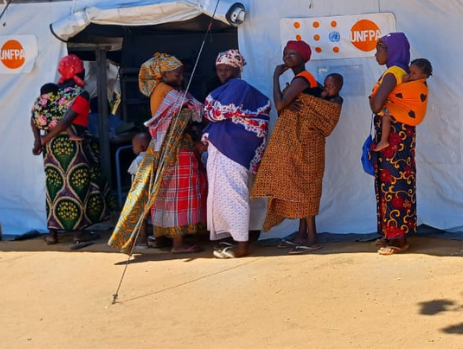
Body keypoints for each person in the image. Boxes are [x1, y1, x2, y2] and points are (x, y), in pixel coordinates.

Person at [251, 40, 342, 254]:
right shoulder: (301, 81)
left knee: (305, 187)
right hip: (303, 142)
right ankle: (302, 233)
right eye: (285, 53)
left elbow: (280, 106)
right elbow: (285, 108)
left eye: (292, 54)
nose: (287, 58)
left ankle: (312, 238)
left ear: (304, 57)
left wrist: (275, 79)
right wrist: (287, 102)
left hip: (306, 143)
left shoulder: (302, 80)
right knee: (302, 186)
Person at [109, 53, 206, 254]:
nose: (181, 79)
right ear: (163, 74)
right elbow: (197, 108)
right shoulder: (167, 91)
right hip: (175, 151)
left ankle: (164, 238)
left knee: (166, 196)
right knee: (177, 196)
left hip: (172, 149)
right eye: (177, 74)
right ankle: (178, 244)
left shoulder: (162, 90)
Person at [30, 54, 114, 247]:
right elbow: (67, 119)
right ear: (81, 71)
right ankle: (78, 233)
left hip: (51, 149)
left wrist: (40, 140)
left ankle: (52, 234)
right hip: (73, 143)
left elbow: (34, 116)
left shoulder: (49, 92)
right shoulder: (80, 94)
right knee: (78, 184)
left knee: (54, 185)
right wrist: (44, 139)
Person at [203, 49, 270, 259]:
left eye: (227, 69)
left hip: (231, 150)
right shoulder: (234, 87)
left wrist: (208, 106)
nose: (223, 73)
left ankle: (241, 246)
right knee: (232, 196)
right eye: (219, 69)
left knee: (234, 197)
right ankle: (237, 240)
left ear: (237, 69)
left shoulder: (237, 86)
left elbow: (217, 112)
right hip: (231, 149)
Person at [369, 33, 430, 255]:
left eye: (379, 49)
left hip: (394, 138)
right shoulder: (402, 72)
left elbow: (376, 106)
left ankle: (397, 239)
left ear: (391, 50)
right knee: (398, 180)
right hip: (401, 135)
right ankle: (392, 233)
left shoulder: (393, 73)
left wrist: (377, 100)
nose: (376, 54)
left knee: (393, 182)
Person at [373, 58, 432, 152]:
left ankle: (384, 140)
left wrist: (378, 88)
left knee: (386, 115)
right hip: (408, 119)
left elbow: (393, 92)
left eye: (414, 73)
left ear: (423, 76)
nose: (410, 75)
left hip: (411, 117)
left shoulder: (418, 86)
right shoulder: (414, 82)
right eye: (410, 72)